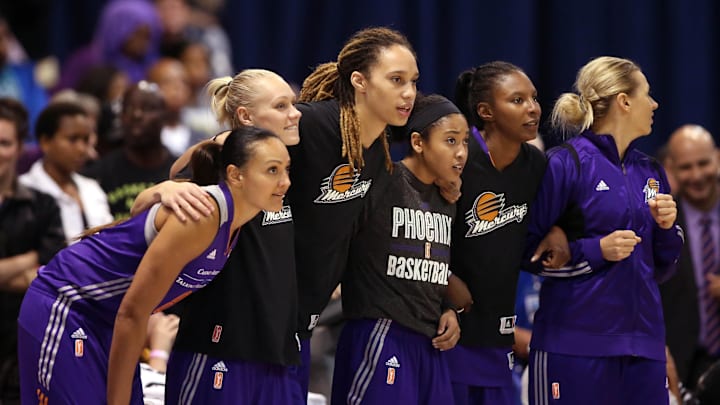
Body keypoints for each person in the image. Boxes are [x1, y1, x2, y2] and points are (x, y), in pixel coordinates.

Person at [16, 126, 291, 405]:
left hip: (108, 320)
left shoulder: (234, 222)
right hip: (68, 305)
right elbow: (133, 313)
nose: (285, 182)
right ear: (236, 174)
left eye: (286, 170)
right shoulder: (203, 214)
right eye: (272, 170)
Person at [133, 69, 304, 404]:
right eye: (282, 106)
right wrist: (165, 189)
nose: (295, 113)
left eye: (293, 104)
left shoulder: (283, 163)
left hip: (276, 349)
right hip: (218, 346)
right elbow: (151, 203)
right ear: (245, 116)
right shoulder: (218, 158)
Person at [524, 56, 684, 404]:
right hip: (573, 345)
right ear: (624, 101)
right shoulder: (566, 163)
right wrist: (596, 250)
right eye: (648, 94)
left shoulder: (651, 171)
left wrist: (669, 229)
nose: (655, 104)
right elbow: (527, 251)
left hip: (644, 348)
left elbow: (663, 267)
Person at [292, 26, 419, 399]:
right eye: (396, 80)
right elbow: (226, 149)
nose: (408, 92)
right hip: (256, 309)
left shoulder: (377, 154)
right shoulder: (310, 124)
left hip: (303, 316)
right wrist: (174, 185)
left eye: (412, 81)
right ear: (359, 81)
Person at [331, 94, 466, 404]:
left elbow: (429, 266)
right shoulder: (384, 178)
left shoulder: (447, 198)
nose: (460, 153)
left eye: (465, 143)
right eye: (450, 141)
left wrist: (447, 309)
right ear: (418, 142)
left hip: (429, 340)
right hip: (380, 332)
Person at [444, 61, 549, 405]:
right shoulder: (456, 158)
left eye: (533, 98)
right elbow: (414, 233)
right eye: (517, 100)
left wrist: (560, 232)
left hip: (499, 337)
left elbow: (558, 224)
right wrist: (444, 279)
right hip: (447, 333)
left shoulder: (536, 166)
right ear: (486, 111)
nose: (532, 108)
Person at [0, 97, 65, 403]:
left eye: (4, 143)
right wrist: (29, 260)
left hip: (24, 346)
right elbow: (38, 268)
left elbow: (51, 278)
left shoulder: (43, 206)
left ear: (20, 148)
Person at [660, 125, 720, 389]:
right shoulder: (658, 224)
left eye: (703, 163)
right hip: (682, 369)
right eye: (686, 167)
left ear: (717, 158)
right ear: (671, 168)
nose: (696, 175)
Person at [19, 102, 113, 243]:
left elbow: (110, 239)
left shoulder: (92, 188)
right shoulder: (23, 192)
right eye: (72, 139)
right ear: (45, 142)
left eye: (85, 140)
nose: (82, 149)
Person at [83, 81, 175, 219]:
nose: (136, 115)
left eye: (148, 108)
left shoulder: (179, 172)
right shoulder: (98, 174)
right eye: (129, 108)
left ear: (164, 116)